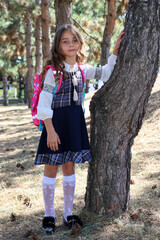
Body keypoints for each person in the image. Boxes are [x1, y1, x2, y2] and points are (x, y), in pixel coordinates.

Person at [34, 24, 124, 234]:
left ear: (80, 43)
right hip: (55, 126)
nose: (71, 45)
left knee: (69, 166)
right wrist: (50, 130)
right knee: (50, 168)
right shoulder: (52, 73)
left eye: (74, 40)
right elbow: (44, 104)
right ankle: (49, 215)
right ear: (58, 46)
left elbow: (106, 73)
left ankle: (67, 213)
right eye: (65, 41)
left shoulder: (82, 69)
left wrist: (115, 51)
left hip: (74, 125)